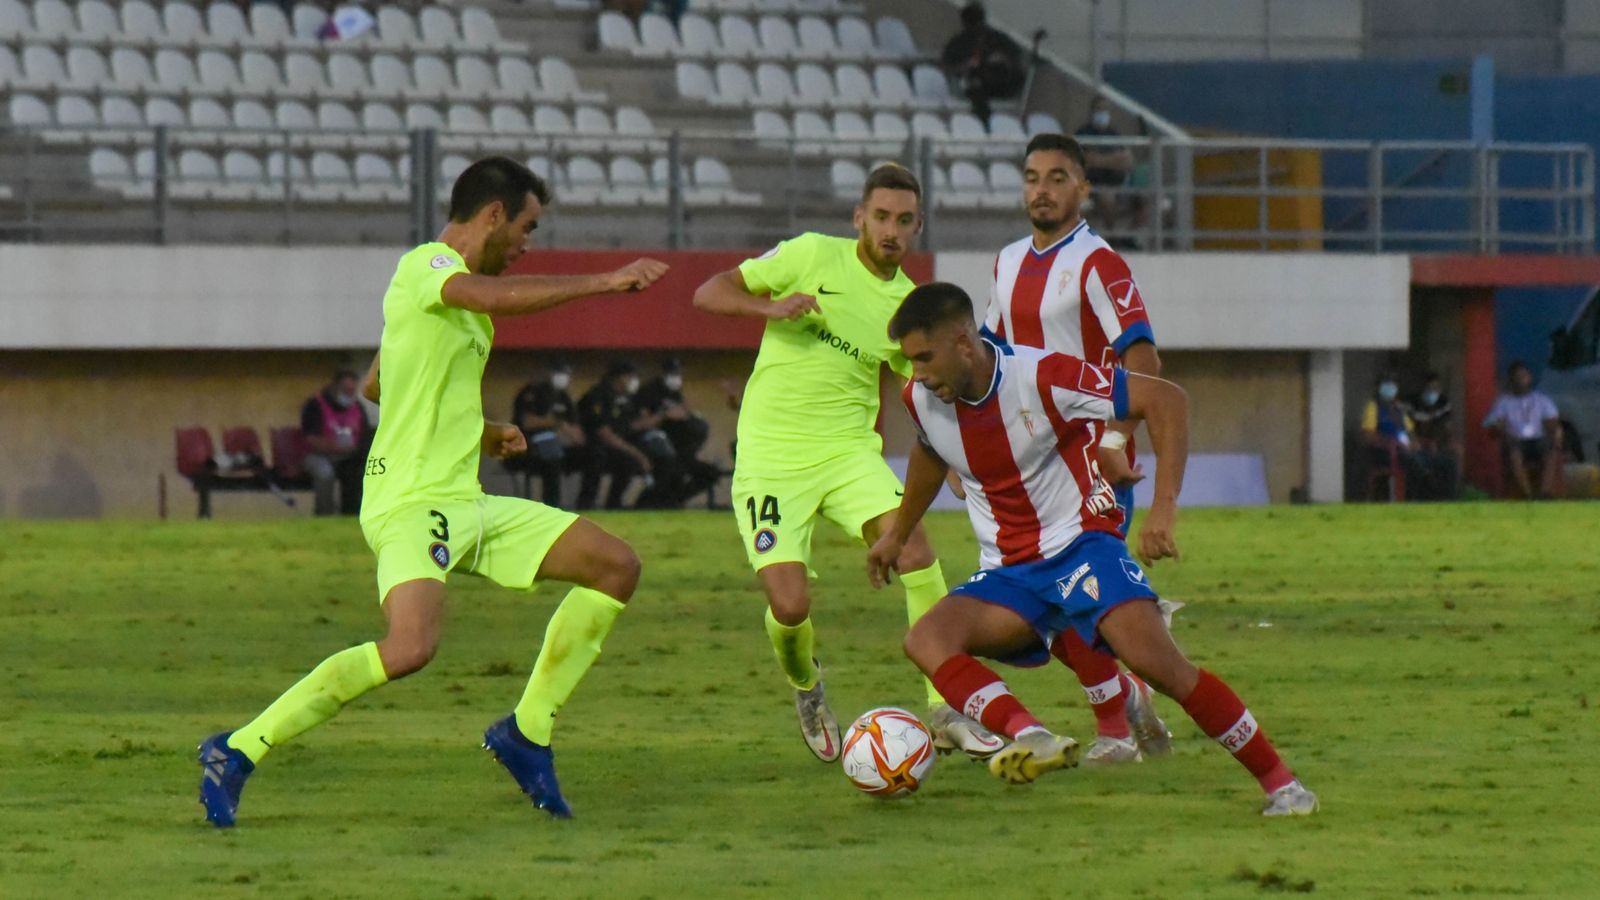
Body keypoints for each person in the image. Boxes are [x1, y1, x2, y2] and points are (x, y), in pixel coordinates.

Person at [196, 157, 669, 826]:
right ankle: (238, 749)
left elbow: (377, 384)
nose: (528, 243)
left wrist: (482, 432)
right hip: (411, 502)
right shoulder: (426, 267)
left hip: (464, 501)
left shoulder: (456, 305)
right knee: (410, 647)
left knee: (615, 565)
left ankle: (527, 732)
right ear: (493, 215)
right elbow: (488, 300)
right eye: (528, 227)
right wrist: (604, 282)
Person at [868, 282, 1319, 816]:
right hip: (1010, 574)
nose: (917, 373)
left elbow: (1166, 399)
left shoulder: (1043, 376)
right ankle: (1031, 735)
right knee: (926, 639)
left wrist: (1164, 509)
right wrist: (897, 533)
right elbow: (929, 451)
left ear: (963, 343)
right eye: (910, 361)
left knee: (1162, 668)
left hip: (1081, 550)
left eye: (924, 357)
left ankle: (1285, 787)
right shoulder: (921, 399)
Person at [692, 162, 1004, 764]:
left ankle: (945, 707)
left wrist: (957, 460)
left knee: (917, 554)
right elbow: (708, 292)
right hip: (770, 460)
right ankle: (807, 685)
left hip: (847, 455)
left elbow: (929, 389)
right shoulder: (810, 254)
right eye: (881, 217)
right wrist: (770, 308)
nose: (891, 230)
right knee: (789, 607)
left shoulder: (906, 306)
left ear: (918, 226)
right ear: (859, 217)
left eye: (904, 221)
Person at [981, 132, 1171, 766]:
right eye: (1032, 177)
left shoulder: (1099, 263)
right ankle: (1129, 691)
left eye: (1058, 178)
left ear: (1083, 189)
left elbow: (1142, 361)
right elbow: (986, 357)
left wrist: (1118, 436)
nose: (1042, 189)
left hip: (1091, 460)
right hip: (1027, 466)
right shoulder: (1007, 262)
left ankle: (1115, 730)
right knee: (1034, 606)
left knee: (1072, 593)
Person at [634, 357, 721, 505]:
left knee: (710, 473)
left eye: (678, 373)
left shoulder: (675, 393)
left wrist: (688, 414)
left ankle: (674, 501)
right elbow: (641, 423)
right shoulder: (649, 391)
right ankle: (645, 505)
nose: (676, 377)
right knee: (670, 471)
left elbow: (683, 414)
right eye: (672, 373)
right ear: (663, 373)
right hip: (657, 447)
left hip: (680, 449)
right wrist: (664, 415)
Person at [576, 361, 656, 509]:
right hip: (590, 446)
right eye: (630, 377)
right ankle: (586, 504)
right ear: (619, 378)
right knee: (597, 457)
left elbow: (628, 425)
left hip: (614, 446)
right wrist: (638, 454)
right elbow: (604, 433)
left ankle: (614, 504)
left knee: (628, 463)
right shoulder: (597, 396)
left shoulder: (624, 399)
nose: (633, 381)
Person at [508, 360, 585, 507]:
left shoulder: (563, 397)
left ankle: (586, 503)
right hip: (527, 445)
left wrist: (565, 430)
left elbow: (577, 433)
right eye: (559, 373)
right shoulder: (532, 392)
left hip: (557, 444)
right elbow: (527, 422)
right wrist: (556, 424)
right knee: (551, 457)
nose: (563, 378)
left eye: (566, 374)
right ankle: (552, 505)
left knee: (591, 455)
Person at [1483, 360, 1563, 499]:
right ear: (1512, 380)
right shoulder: (1504, 402)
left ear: (1530, 378)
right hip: (1516, 441)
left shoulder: (1541, 400)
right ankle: (1528, 495)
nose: (1522, 379)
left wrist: (1556, 433)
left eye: (1524, 375)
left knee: (1551, 448)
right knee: (1514, 452)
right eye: (1518, 376)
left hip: (1538, 440)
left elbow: (1553, 423)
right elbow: (1491, 425)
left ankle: (1544, 493)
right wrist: (1501, 428)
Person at [300, 368, 374, 516]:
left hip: (350, 456)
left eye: (352, 391)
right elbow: (311, 439)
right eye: (346, 390)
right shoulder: (315, 405)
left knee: (360, 472)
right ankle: (325, 515)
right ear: (335, 387)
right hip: (319, 455)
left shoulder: (357, 407)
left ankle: (352, 513)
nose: (349, 395)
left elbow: (364, 434)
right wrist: (338, 448)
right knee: (324, 474)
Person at [940, 2, 1024, 122]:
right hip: (974, 83)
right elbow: (947, 66)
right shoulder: (958, 43)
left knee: (1017, 76)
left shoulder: (995, 37)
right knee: (975, 87)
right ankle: (985, 121)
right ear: (965, 23)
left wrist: (1002, 58)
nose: (976, 27)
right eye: (972, 23)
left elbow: (1014, 54)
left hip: (997, 81)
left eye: (978, 22)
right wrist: (967, 65)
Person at [1074, 97, 1136, 236]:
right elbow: (1085, 160)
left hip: (1114, 182)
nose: (1102, 113)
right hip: (1089, 183)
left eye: (1105, 109)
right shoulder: (1083, 133)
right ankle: (1110, 237)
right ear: (1092, 112)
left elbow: (1128, 161)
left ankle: (1122, 238)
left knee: (1147, 200)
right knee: (1103, 197)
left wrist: (1099, 159)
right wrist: (1114, 160)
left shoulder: (1113, 134)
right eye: (1099, 109)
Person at [1408, 371, 1459, 500]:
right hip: (1418, 445)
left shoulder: (1443, 403)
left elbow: (1448, 427)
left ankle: (1452, 496)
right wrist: (1426, 442)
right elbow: (1410, 433)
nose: (1433, 392)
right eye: (1430, 388)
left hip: (1437, 443)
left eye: (1436, 388)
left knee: (1456, 453)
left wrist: (1450, 441)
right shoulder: (1413, 404)